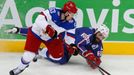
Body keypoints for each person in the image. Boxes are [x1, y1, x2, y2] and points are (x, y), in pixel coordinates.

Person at [9, 1, 78, 75]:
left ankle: (39, 51)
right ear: (67, 13)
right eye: (72, 14)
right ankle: (20, 68)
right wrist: (48, 28)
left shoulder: (72, 23)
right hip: (36, 33)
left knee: (58, 56)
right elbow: (39, 19)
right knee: (28, 56)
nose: (73, 16)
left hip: (50, 38)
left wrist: (72, 45)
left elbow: (70, 35)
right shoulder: (53, 12)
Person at [7, 24, 109, 69]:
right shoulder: (88, 33)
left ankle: (40, 51)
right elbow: (78, 44)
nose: (100, 38)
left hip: (69, 46)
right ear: (96, 32)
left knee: (62, 60)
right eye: (100, 35)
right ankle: (19, 30)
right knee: (43, 34)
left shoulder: (99, 45)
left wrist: (94, 62)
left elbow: (97, 59)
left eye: (103, 37)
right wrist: (88, 54)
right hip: (63, 39)